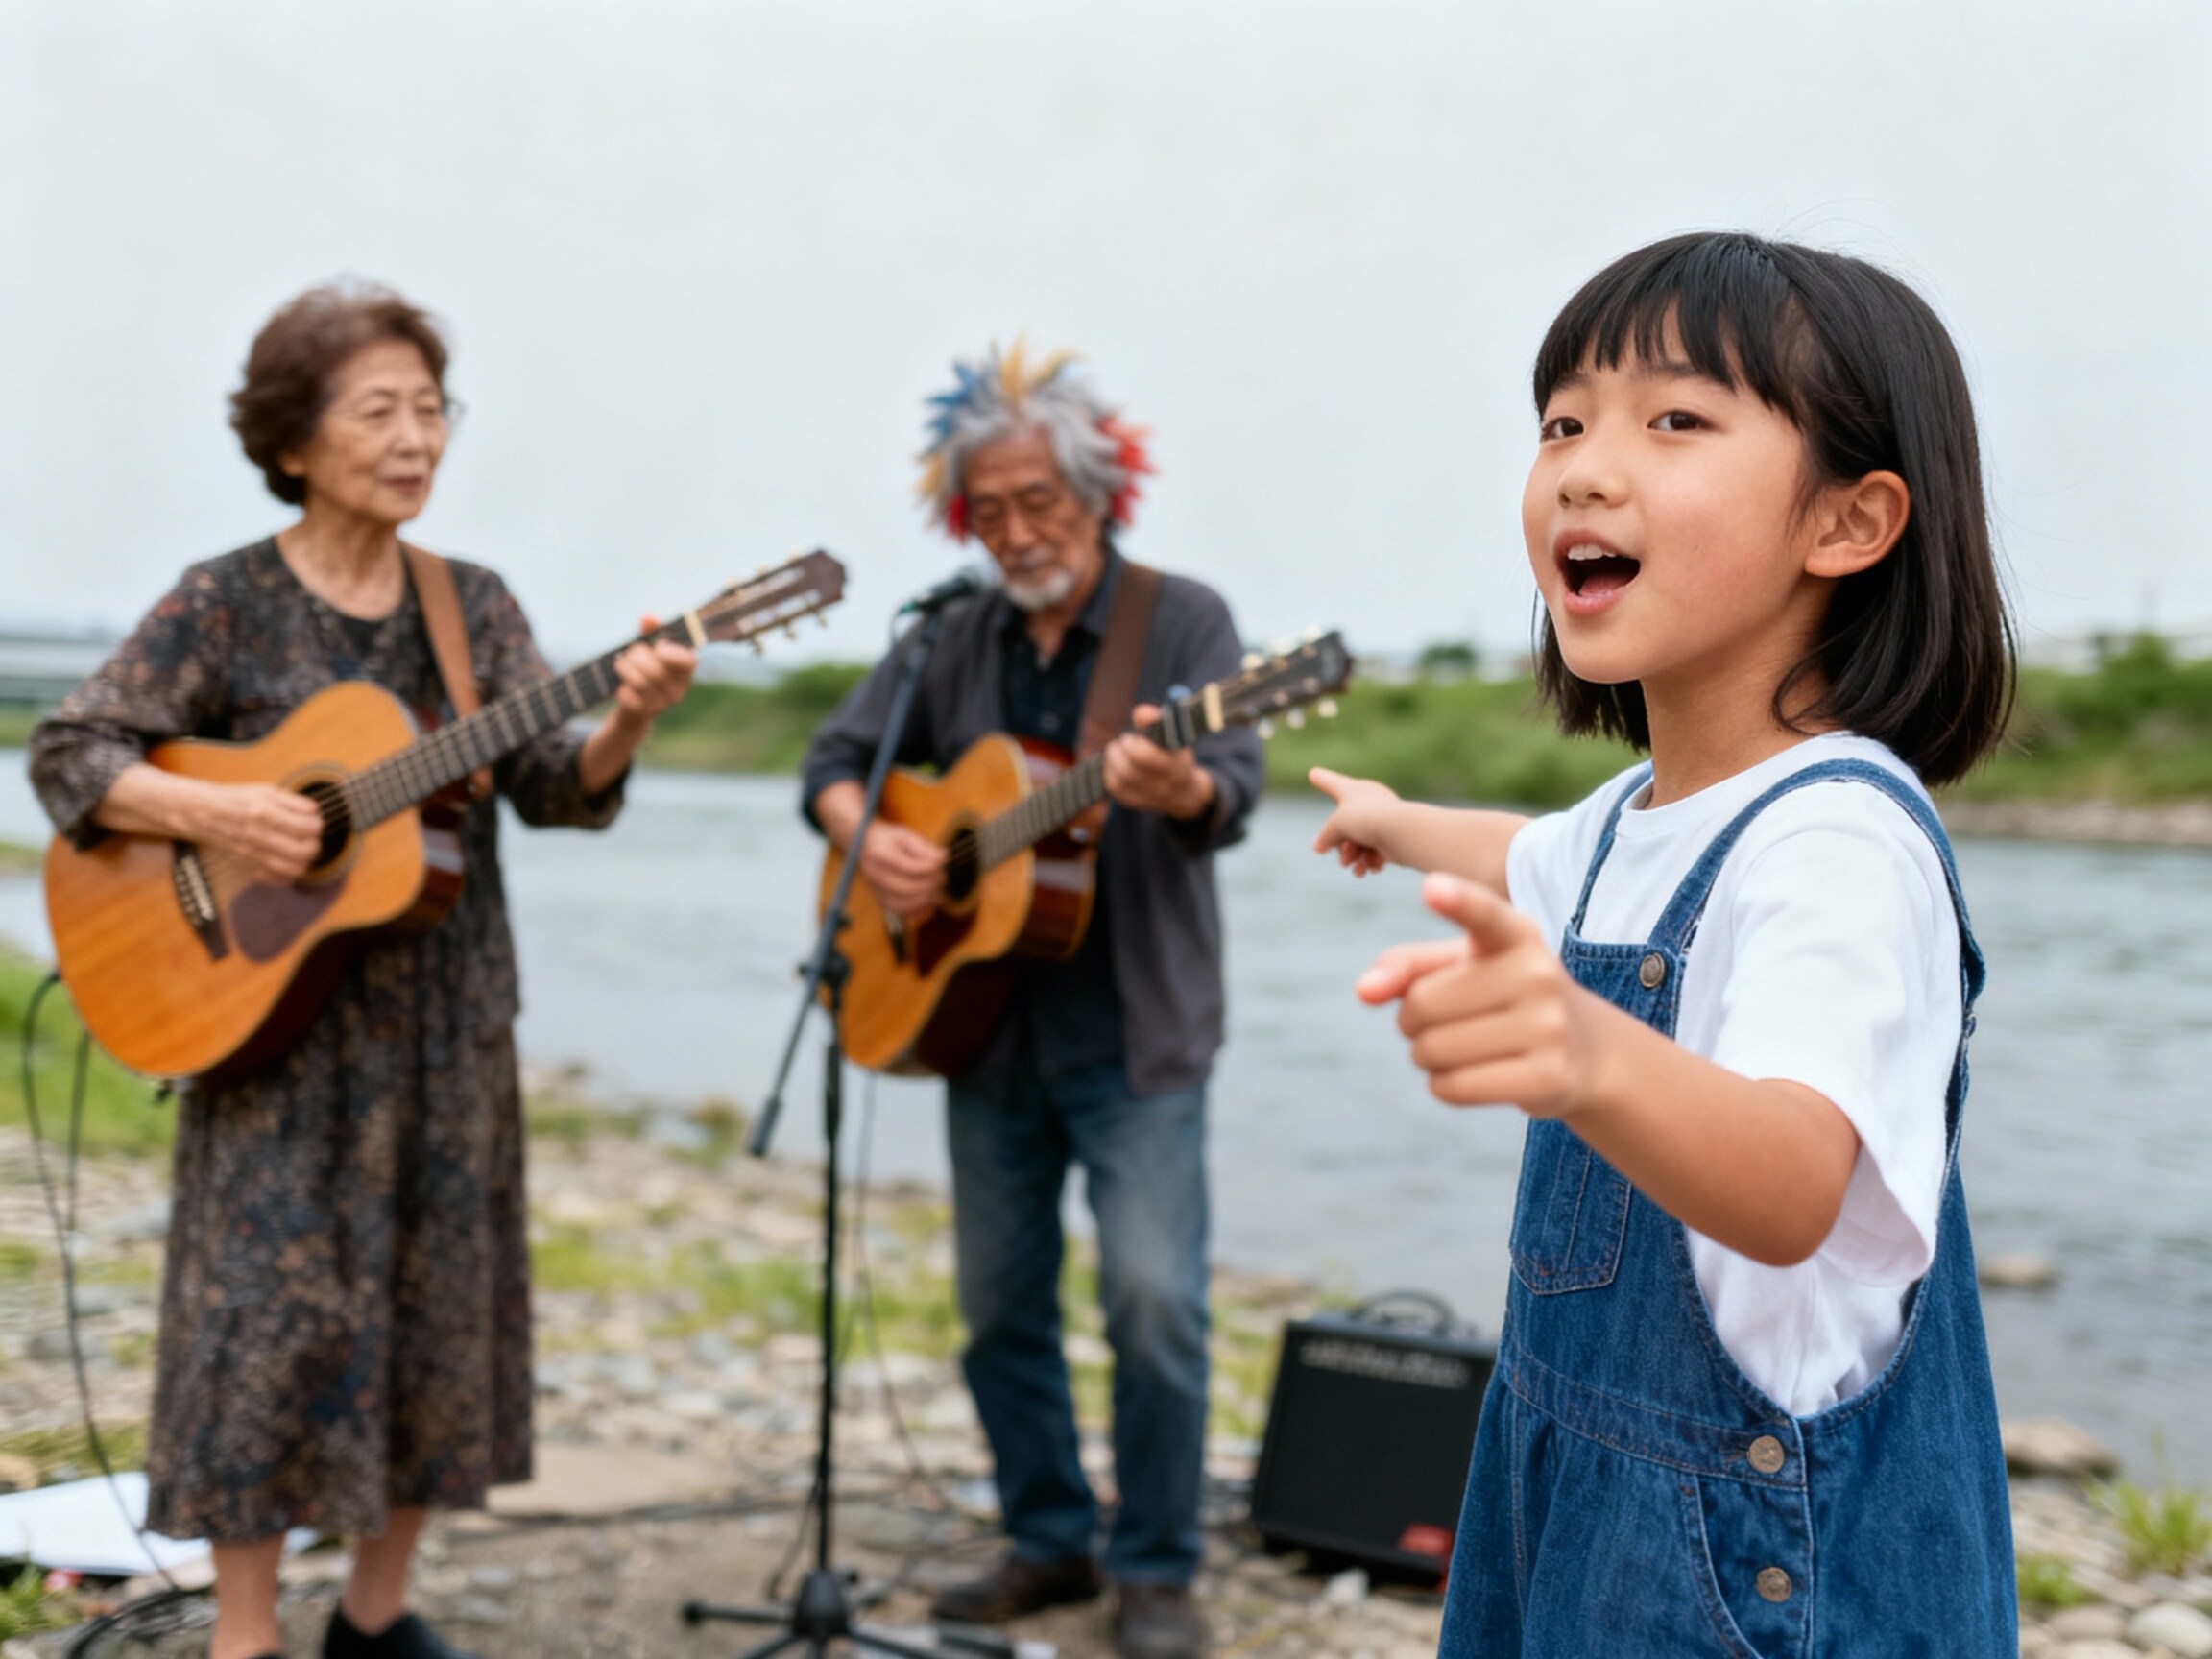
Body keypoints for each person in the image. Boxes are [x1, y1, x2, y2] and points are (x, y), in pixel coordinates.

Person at [1311, 234, 2017, 1654]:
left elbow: (1791, 1181)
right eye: (1562, 421)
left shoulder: (1835, 842)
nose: (1583, 465)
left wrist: (1586, 1052)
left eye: (1674, 420)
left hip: (1753, 1560)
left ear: (1849, 524)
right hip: (1567, 1491)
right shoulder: (1644, 811)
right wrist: (1400, 820)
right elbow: (1528, 855)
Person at [28, 283, 696, 1659]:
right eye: (380, 411)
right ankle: (248, 1634)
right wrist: (219, 813)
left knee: (436, 1327)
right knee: (259, 1334)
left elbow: (554, 788)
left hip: (447, 1030)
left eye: (432, 411)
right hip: (272, 1036)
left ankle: (377, 1622)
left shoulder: (474, 609)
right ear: (293, 442)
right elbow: (72, 755)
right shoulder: (223, 602)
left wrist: (624, 719)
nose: (416, 438)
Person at [801, 345, 1262, 1659]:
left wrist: (1177, 788)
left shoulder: (1182, 622)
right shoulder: (951, 635)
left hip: (1136, 1030)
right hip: (980, 1028)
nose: (1014, 531)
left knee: (1155, 1303)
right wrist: (874, 838)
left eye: (1036, 504)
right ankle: (1050, 1536)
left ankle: (1158, 1567)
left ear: (1099, 492)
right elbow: (837, 761)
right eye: (986, 510)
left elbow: (1230, 785)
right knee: (1001, 1304)